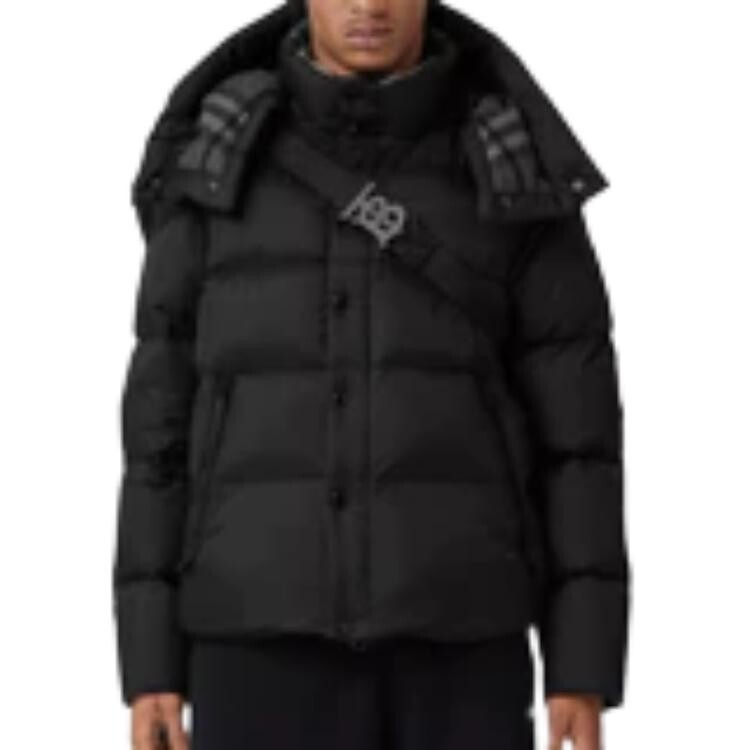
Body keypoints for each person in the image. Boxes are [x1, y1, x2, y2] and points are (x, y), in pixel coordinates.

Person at [112, 1, 631, 748]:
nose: (368, 4)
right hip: (252, 639)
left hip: (460, 642)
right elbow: (158, 437)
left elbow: (580, 438)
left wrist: (581, 661)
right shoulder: (219, 155)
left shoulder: (510, 157)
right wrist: (150, 660)